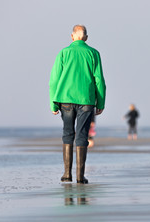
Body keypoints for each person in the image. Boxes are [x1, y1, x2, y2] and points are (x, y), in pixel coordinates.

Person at [49, 25, 106, 184]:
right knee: (82, 135)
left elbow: (54, 80)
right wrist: (100, 102)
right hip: (86, 100)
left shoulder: (64, 53)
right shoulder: (93, 53)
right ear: (86, 38)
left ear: (72, 37)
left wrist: (53, 104)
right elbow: (99, 80)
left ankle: (67, 174)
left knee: (68, 133)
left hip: (65, 99)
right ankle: (80, 176)